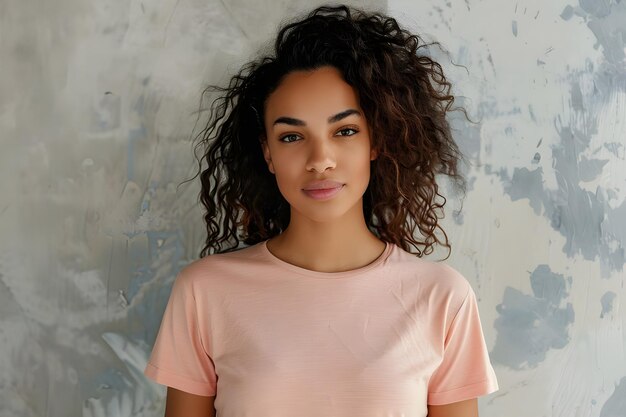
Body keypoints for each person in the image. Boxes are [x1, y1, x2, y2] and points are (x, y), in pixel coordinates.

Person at [144, 4, 499, 417]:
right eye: (292, 136)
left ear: (376, 142)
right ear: (268, 154)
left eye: (345, 131)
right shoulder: (204, 292)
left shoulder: (442, 298)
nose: (320, 159)